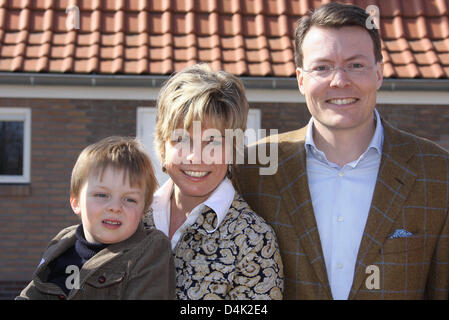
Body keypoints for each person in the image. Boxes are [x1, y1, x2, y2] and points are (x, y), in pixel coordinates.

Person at [234, 2, 449, 300]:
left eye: (356, 65)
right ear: (300, 80)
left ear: (379, 73)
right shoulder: (253, 168)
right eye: (322, 67)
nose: (339, 80)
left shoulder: (437, 173)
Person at [144, 63, 284, 300]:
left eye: (214, 142)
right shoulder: (133, 217)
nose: (196, 157)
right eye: (181, 139)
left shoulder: (253, 240)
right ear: (162, 145)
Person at [17, 136, 175, 300]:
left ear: (144, 210)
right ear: (76, 202)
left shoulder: (149, 249)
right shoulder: (61, 243)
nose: (115, 207)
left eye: (130, 199)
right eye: (102, 195)